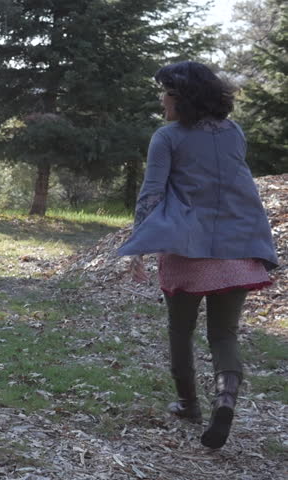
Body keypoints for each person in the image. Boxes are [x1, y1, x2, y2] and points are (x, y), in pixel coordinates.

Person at [118, 61, 278, 449]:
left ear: (181, 98)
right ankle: (225, 398)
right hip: (238, 248)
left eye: (166, 93)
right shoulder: (233, 132)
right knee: (224, 334)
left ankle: (189, 405)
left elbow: (152, 193)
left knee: (180, 331)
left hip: (188, 250)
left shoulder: (167, 137)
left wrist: (139, 244)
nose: (161, 100)